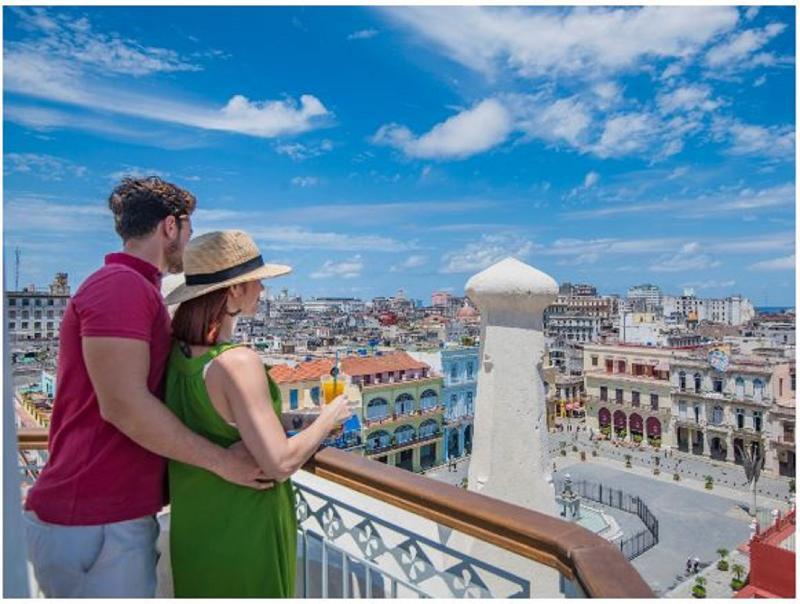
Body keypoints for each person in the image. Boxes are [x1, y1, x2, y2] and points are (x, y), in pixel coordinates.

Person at [22, 178, 271, 598]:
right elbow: (124, 405)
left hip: (105, 518)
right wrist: (222, 463)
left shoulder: (137, 289)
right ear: (170, 226)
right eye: (189, 230)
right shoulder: (120, 285)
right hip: (94, 520)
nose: (189, 243)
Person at [163, 230, 352, 598]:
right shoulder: (237, 362)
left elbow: (226, 422)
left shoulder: (178, 354)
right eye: (257, 282)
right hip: (244, 521)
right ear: (234, 290)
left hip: (196, 521)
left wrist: (302, 420)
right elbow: (280, 463)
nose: (263, 291)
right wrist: (331, 416)